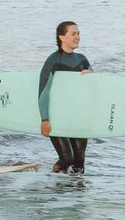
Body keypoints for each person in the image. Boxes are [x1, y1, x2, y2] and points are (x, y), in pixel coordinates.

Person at [39, 19, 91, 174]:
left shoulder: (82, 60)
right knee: (67, 158)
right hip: (57, 115)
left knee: (79, 162)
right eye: (73, 34)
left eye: (78, 33)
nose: (77, 37)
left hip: (78, 115)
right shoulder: (53, 61)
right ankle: (51, 179)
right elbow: (44, 90)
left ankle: (73, 189)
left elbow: (94, 88)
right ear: (62, 37)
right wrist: (45, 119)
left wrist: (92, 75)